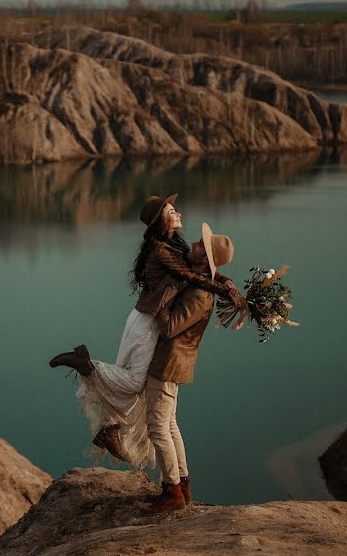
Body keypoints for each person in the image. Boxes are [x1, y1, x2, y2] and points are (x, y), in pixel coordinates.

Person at [50, 195, 245, 467]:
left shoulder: (174, 246)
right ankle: (86, 365)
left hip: (146, 320)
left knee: (131, 379)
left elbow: (199, 270)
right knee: (134, 382)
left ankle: (109, 429)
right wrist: (224, 290)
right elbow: (192, 276)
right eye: (171, 210)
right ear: (160, 221)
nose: (178, 212)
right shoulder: (162, 251)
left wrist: (227, 282)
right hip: (146, 322)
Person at [144, 223, 234, 514]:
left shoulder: (199, 295)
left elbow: (170, 327)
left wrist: (158, 302)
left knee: (158, 427)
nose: (193, 245)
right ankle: (181, 485)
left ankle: (172, 492)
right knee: (169, 424)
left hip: (168, 363)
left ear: (205, 259)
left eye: (199, 244)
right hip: (174, 363)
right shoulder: (199, 283)